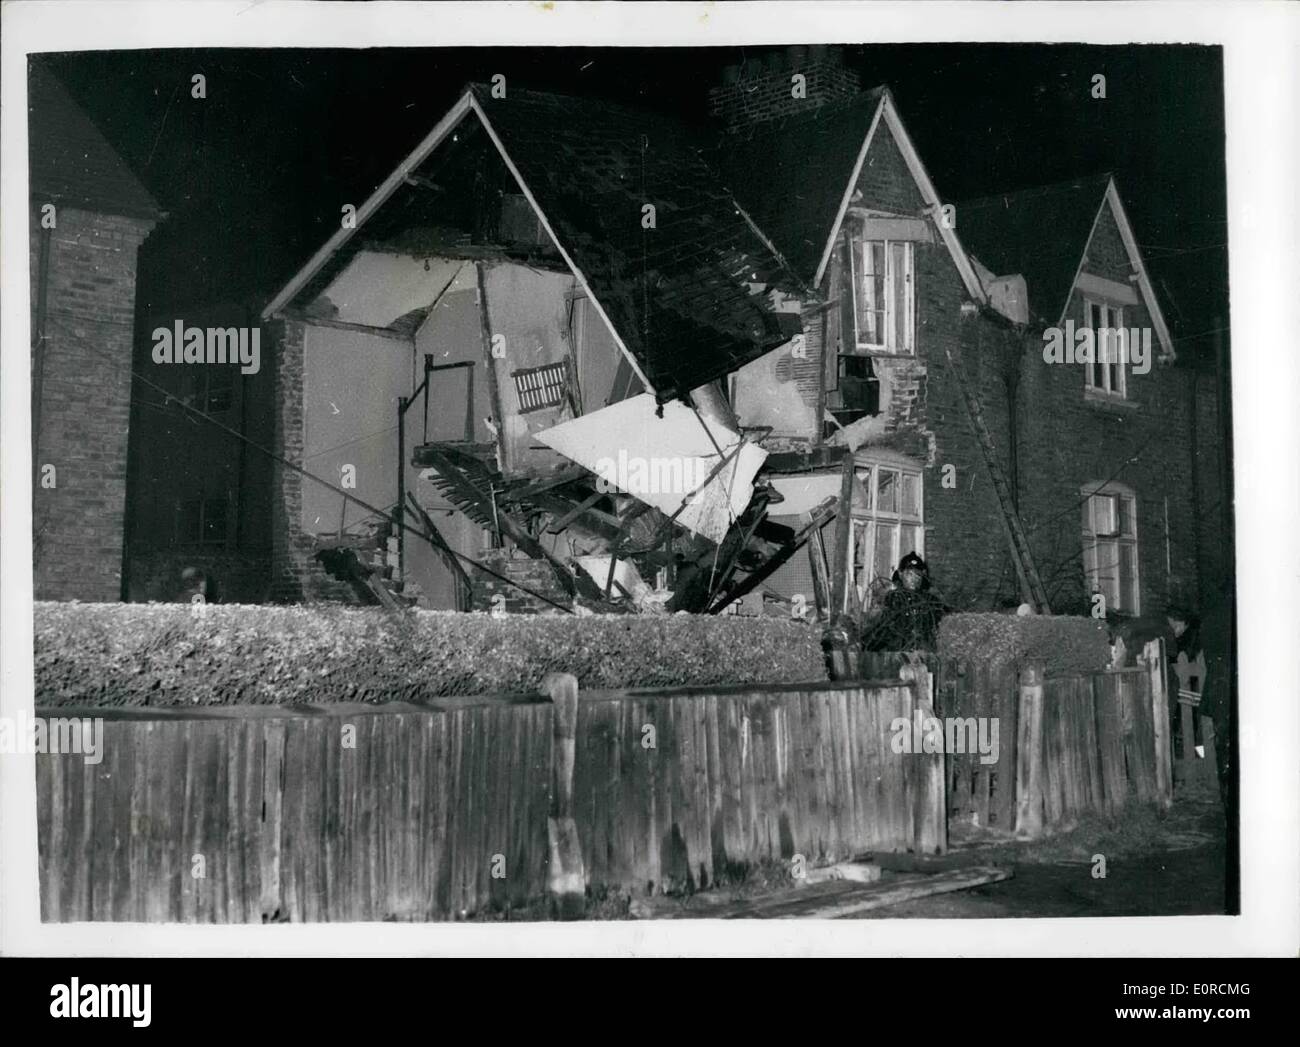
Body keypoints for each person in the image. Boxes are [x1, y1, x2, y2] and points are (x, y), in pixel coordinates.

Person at [867, 552, 946, 652]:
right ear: (900, 574)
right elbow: (881, 629)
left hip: (924, 652)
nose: (914, 578)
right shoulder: (892, 598)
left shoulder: (931, 601)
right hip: (897, 652)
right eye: (909, 574)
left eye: (918, 574)